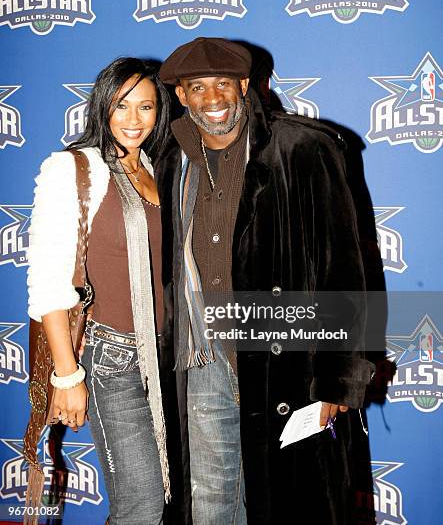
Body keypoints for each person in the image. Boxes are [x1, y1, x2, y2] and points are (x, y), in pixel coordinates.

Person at [156, 37, 375, 524]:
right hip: (205, 361)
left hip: (289, 366)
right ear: (180, 96)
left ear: (246, 87)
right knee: (212, 504)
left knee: (292, 506)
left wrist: (336, 382)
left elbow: (344, 269)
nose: (213, 100)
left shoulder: (303, 148)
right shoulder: (171, 163)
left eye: (223, 85)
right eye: (197, 87)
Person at [27, 57, 171, 525]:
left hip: (166, 356)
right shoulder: (73, 169)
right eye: (122, 105)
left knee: (164, 499)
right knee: (141, 504)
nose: (134, 119)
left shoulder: (156, 168)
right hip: (112, 358)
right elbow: (48, 279)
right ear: (102, 104)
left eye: (146, 107)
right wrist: (67, 378)